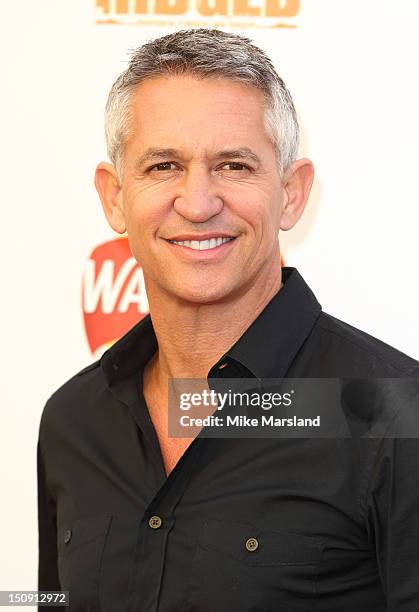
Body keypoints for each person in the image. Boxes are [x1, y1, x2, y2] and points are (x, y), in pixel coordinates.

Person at [37, 28, 419, 611]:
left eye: (234, 166)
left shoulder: (394, 417)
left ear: (291, 193)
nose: (197, 202)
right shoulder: (73, 422)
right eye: (163, 165)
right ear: (115, 198)